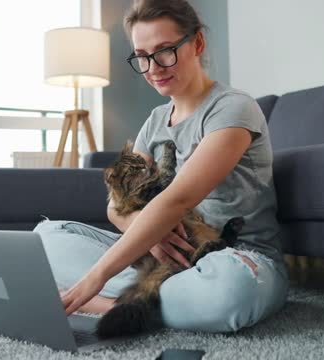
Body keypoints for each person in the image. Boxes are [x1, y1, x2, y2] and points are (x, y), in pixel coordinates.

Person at [33, 0, 289, 333]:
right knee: (46, 235)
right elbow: (116, 207)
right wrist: (150, 235)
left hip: (235, 260)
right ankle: (141, 302)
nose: (153, 67)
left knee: (229, 294)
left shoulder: (234, 108)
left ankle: (111, 304)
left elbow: (177, 200)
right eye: (142, 56)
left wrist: (94, 279)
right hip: (160, 264)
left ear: (197, 44)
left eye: (165, 51)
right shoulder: (155, 121)